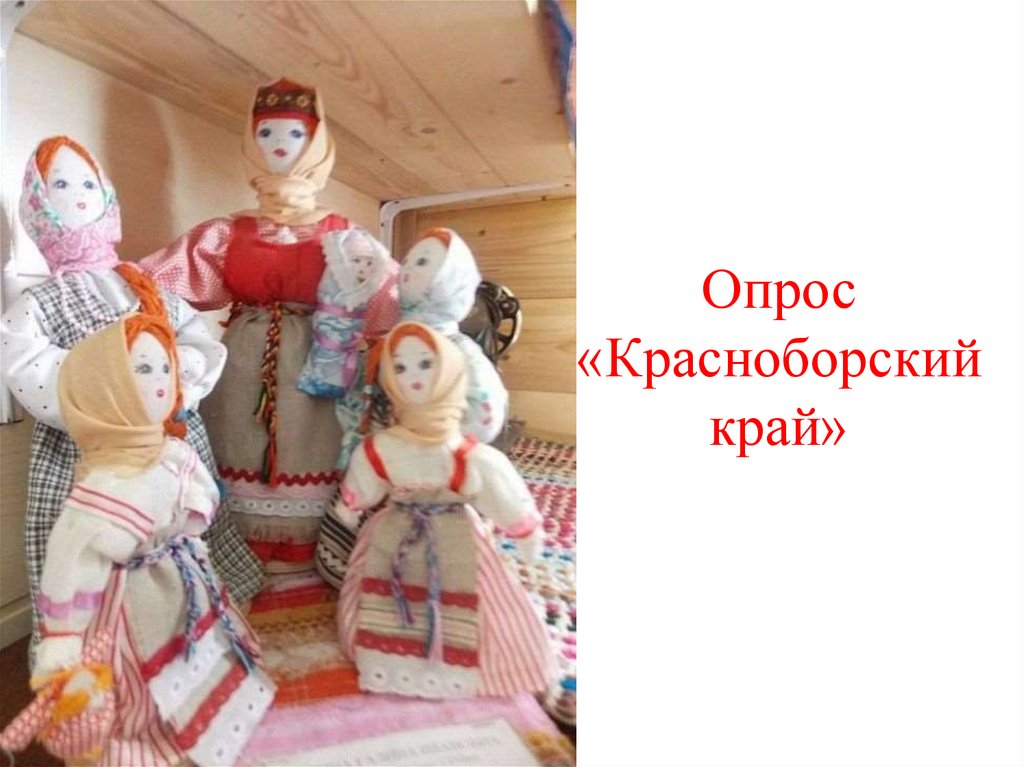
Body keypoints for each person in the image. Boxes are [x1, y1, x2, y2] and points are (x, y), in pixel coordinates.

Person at [0, 136, 260, 666]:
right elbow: (28, 366)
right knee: (93, 536)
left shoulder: (141, 284)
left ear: (106, 196)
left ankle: (194, 612)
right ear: (39, 207)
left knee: (185, 518)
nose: (77, 194)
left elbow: (196, 340)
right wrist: (105, 397)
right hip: (87, 446)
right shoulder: (38, 301)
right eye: (60, 186)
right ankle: (97, 640)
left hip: (168, 431)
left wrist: (173, 383)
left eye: (86, 183)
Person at [32, 314, 274, 767]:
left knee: (197, 650)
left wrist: (187, 530)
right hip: (129, 600)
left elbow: (202, 499)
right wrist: (62, 637)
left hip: (180, 578)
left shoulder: (173, 452)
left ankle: (203, 714)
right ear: (104, 389)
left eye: (165, 366)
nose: (162, 380)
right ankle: (148, 738)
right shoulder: (102, 487)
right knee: (140, 674)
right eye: (142, 369)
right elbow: (70, 565)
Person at [139, 78, 351, 575]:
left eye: (295, 134)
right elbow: (160, 282)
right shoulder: (228, 232)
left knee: (312, 441)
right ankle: (239, 541)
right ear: (250, 144)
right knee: (236, 434)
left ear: (317, 145)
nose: (279, 144)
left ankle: (305, 541)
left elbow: (379, 293)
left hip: (316, 360)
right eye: (266, 133)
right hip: (241, 357)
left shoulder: (340, 232)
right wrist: (114, 284)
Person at [335, 322, 555, 698]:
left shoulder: (469, 455)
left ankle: (471, 662)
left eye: (426, 364)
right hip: (392, 535)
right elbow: (364, 481)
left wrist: (523, 529)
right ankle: (389, 654)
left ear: (451, 374)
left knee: (473, 595)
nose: (413, 377)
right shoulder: (381, 448)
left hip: (456, 540)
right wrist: (351, 505)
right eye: (399, 367)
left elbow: (499, 490)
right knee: (379, 590)